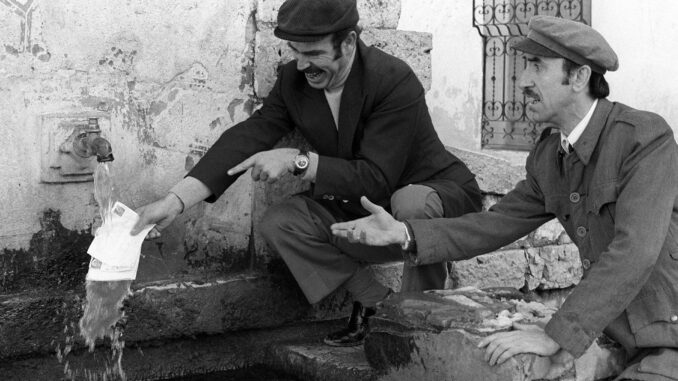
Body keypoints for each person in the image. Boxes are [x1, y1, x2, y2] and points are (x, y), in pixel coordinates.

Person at [331, 15, 678, 380]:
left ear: (578, 77)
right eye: (526, 64)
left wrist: (556, 334)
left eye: (537, 65)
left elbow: (634, 251)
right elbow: (495, 223)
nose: (523, 79)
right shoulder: (549, 156)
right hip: (615, 338)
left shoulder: (643, 139)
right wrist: (404, 234)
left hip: (667, 341)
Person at [131, 0, 482, 347]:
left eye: (312, 53)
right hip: (361, 205)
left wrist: (299, 161)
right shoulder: (292, 80)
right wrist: (175, 201)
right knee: (281, 222)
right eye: (295, 51)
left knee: (412, 204)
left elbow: (377, 177)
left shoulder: (392, 78)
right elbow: (248, 137)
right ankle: (379, 305)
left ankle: (419, 328)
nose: (301, 65)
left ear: (348, 42)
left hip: (430, 196)